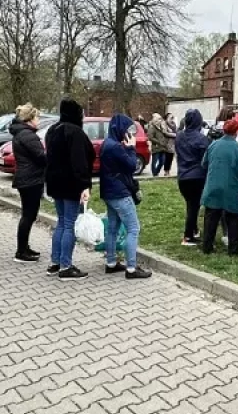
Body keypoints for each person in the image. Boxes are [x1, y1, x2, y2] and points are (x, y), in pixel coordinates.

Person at [45, 98, 94, 280]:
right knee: (69, 224)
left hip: (55, 183)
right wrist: (84, 185)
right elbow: (79, 162)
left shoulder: (52, 130)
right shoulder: (75, 133)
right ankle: (66, 266)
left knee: (61, 221)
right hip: (71, 184)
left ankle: (55, 262)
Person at [99, 114, 151, 279]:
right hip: (120, 193)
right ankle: (131, 268)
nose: (129, 132)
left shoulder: (107, 144)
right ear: (119, 128)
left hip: (108, 192)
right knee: (133, 228)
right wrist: (131, 148)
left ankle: (111, 263)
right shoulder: (116, 147)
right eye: (128, 129)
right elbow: (131, 166)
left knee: (113, 229)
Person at [200, 119, 238, 256]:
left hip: (213, 186)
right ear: (236, 132)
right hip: (231, 187)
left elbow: (204, 163)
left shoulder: (213, 145)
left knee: (210, 218)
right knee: (233, 219)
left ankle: (207, 247)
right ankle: (233, 250)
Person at [9, 103, 46, 263]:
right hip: (31, 179)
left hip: (26, 178)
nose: (39, 120)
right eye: (37, 117)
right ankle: (21, 251)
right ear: (30, 119)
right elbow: (40, 157)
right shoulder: (28, 135)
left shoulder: (21, 133)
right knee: (28, 215)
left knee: (28, 214)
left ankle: (24, 247)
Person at [175, 109, 211, 246]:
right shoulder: (202, 139)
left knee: (191, 205)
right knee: (193, 206)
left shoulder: (179, 136)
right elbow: (206, 158)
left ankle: (194, 229)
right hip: (197, 176)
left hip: (182, 176)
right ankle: (188, 236)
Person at [147, 113, 173, 177]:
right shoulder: (152, 127)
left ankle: (156, 172)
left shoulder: (162, 126)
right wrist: (158, 142)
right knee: (154, 162)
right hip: (156, 147)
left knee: (162, 161)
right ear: (155, 120)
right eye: (158, 119)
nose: (160, 120)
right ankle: (154, 174)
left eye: (160, 119)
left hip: (163, 147)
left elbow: (165, 134)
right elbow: (150, 137)